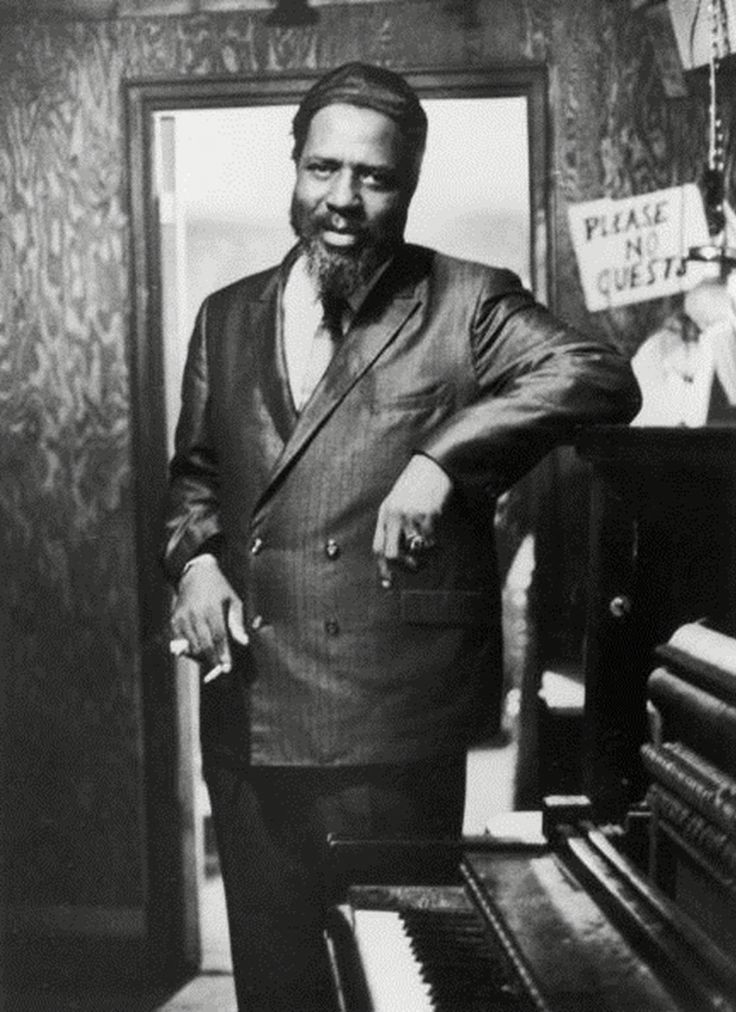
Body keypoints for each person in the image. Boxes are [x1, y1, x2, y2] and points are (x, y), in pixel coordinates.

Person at [163, 62, 641, 1011]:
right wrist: (196, 563)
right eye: (323, 168)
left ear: (408, 186)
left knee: (400, 985)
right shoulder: (225, 318)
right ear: (294, 168)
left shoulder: (466, 302)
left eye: (374, 178)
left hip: (390, 729)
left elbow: (599, 374)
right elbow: (195, 486)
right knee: (279, 991)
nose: (343, 199)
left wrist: (442, 458)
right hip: (249, 725)